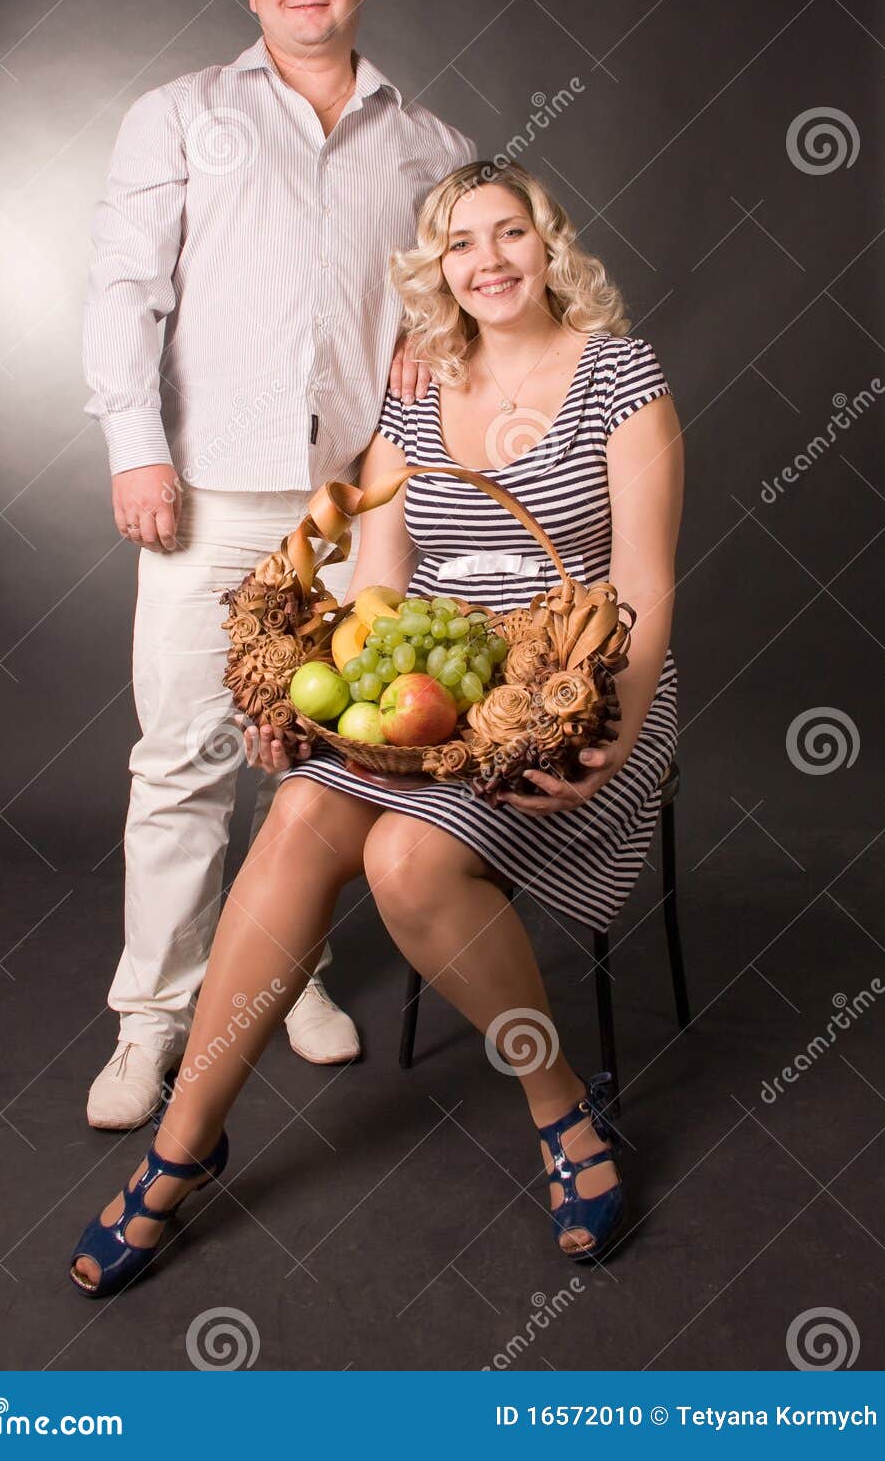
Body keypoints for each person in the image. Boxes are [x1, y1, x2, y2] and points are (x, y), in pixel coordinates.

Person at [68, 160, 683, 1297]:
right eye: (460, 243)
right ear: (435, 267)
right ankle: (185, 1142)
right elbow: (378, 585)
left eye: (510, 235)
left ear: (550, 248)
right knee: (300, 805)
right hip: (424, 705)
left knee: (403, 855)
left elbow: (643, 588)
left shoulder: (620, 377)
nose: (487, 261)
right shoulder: (415, 390)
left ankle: (562, 1110)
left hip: (569, 697)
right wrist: (311, 707)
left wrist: (603, 747)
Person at [80, 0, 476, 1129]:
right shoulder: (178, 116)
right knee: (185, 759)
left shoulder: (430, 144)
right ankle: (151, 1021)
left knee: (322, 760)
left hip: (359, 505)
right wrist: (134, 448)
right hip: (207, 495)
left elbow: (461, 296)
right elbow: (122, 289)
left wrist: (438, 335)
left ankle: (289, 975)